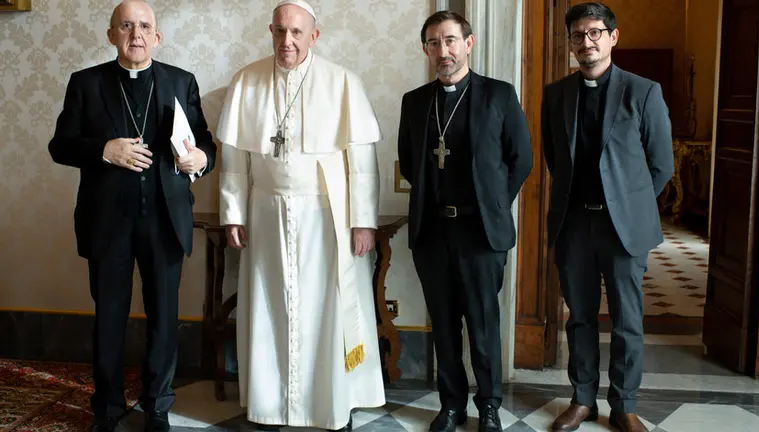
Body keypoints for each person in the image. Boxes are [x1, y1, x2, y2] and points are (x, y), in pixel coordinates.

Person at [47, 1, 216, 431]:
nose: (135, 35)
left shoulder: (182, 81)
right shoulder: (85, 83)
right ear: (111, 35)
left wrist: (199, 158)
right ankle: (106, 405)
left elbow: (205, 147)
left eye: (144, 27)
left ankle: (157, 404)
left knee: (164, 317)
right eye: (126, 26)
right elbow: (60, 145)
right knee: (109, 316)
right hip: (108, 221)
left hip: (164, 220)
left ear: (156, 37)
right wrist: (104, 150)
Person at [216, 1, 385, 430]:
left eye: (295, 32)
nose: (286, 42)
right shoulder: (247, 80)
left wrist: (363, 221)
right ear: (270, 31)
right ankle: (270, 403)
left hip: (325, 214)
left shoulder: (342, 81)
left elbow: (362, 162)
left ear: (315, 34)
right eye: (278, 32)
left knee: (325, 307)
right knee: (270, 304)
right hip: (265, 210)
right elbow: (233, 159)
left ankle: (330, 402)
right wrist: (232, 213)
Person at [397, 10, 533, 432]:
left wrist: (494, 205)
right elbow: (408, 161)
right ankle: (451, 405)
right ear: (426, 50)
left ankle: (489, 406)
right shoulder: (415, 102)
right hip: (433, 232)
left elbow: (521, 159)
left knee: (483, 323)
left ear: (468, 43)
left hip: (480, 233)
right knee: (444, 324)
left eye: (451, 40)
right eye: (435, 43)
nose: (444, 50)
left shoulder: (499, 95)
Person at [541, 3, 674, 432]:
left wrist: (628, 206)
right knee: (579, 317)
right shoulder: (555, 94)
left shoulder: (644, 91)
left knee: (627, 320)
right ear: (571, 43)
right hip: (574, 225)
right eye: (578, 35)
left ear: (613, 37)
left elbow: (661, 165)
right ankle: (582, 400)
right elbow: (554, 158)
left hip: (623, 229)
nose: (587, 41)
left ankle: (624, 404)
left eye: (595, 32)